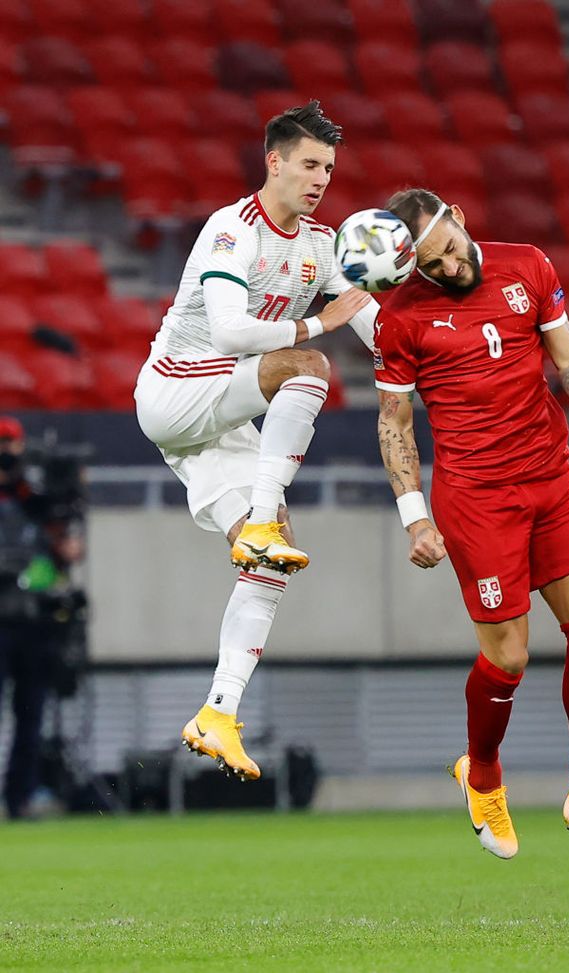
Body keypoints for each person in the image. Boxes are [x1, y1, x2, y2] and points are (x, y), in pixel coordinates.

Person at [373, 188, 569, 858]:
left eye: (450, 251)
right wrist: (415, 519)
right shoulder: (400, 317)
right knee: (508, 657)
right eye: (432, 265)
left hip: (549, 478)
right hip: (478, 500)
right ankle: (481, 775)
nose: (450, 268)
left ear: (458, 218)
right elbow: (394, 424)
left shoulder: (528, 265)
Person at [135, 101, 377, 782]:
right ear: (274, 161)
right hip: (175, 390)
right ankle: (263, 517)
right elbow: (232, 332)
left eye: (329, 168)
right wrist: (317, 324)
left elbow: (374, 327)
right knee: (309, 366)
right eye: (310, 164)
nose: (321, 178)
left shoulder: (321, 245)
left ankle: (217, 713)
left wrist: (437, 358)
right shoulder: (231, 230)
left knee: (272, 560)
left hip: (218, 418)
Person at [0, 417, 86, 818]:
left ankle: (19, 798)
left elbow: (67, 550)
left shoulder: (37, 495)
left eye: (9, 444)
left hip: (36, 622)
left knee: (31, 716)